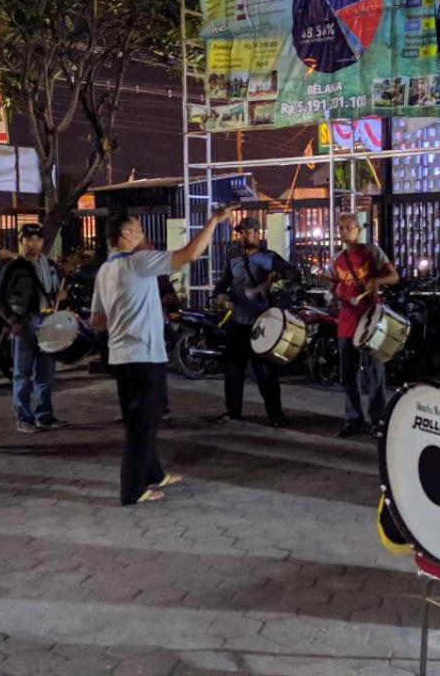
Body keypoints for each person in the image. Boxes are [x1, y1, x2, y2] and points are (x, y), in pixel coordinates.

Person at [90, 206, 232, 505]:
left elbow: (97, 320)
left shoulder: (105, 271)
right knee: (144, 424)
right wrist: (214, 221)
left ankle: (153, 473)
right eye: (138, 227)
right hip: (144, 356)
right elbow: (189, 254)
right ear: (125, 233)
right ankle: (132, 490)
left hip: (120, 357)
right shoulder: (138, 262)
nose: (142, 233)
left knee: (138, 419)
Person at [212, 216, 300, 427]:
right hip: (237, 323)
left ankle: (276, 415)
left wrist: (280, 280)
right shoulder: (234, 260)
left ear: (258, 234)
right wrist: (221, 297)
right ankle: (233, 412)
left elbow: (294, 275)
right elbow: (221, 287)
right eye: (241, 232)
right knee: (233, 372)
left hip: (262, 324)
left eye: (248, 232)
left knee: (266, 373)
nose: (244, 236)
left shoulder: (270, 258)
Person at [327, 213, 399, 438]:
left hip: (370, 322)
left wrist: (377, 280)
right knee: (347, 376)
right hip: (346, 323)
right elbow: (332, 286)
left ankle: (378, 420)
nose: (344, 231)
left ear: (359, 229)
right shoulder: (336, 259)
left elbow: (394, 277)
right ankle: (353, 419)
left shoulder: (372, 252)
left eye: (349, 227)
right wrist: (334, 296)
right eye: (341, 227)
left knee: (374, 374)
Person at [0, 223, 64, 433]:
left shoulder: (50, 266)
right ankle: (24, 418)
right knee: (21, 374)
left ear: (42, 241)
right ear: (21, 241)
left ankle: (45, 415)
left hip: (47, 321)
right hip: (25, 322)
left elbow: (53, 291)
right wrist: (14, 321)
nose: (34, 244)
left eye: (37, 239)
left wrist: (60, 296)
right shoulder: (13, 267)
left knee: (46, 373)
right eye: (29, 240)